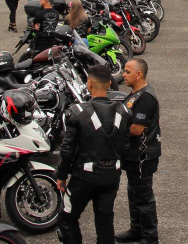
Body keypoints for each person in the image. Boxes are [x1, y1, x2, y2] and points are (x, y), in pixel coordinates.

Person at [56, 65, 131, 244]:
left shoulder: (76, 112)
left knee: (67, 219)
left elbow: (67, 148)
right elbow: (125, 146)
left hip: (84, 177)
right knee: (105, 221)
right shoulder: (125, 111)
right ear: (109, 84)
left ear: (89, 84)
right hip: (111, 176)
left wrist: (61, 175)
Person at [116, 59, 161, 244]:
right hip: (133, 155)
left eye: (127, 71)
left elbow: (136, 129)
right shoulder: (135, 94)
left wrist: (113, 131)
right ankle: (136, 230)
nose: (123, 75)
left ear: (138, 74)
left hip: (143, 155)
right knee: (134, 194)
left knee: (143, 197)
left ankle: (150, 237)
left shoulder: (146, 97)